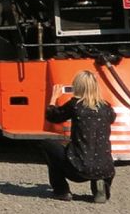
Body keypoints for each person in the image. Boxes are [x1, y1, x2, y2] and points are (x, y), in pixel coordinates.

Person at [41, 70, 116, 203]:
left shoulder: (75, 105)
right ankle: (101, 186)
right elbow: (111, 118)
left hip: (78, 168)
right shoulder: (106, 108)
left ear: (77, 87)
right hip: (105, 168)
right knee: (99, 155)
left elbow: (53, 116)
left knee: (49, 146)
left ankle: (61, 191)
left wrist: (53, 98)